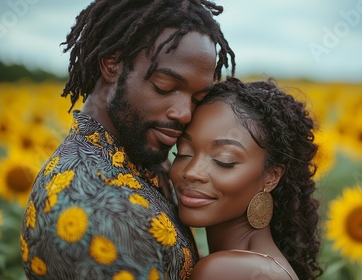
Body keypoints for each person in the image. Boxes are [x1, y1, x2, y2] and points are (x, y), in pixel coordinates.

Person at [20, 0, 234, 279]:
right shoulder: (101, 215)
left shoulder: (138, 156)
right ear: (112, 64)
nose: (184, 113)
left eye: (198, 98)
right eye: (164, 87)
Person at [169, 77, 322, 280]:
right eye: (183, 153)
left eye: (224, 160)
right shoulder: (259, 266)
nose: (192, 172)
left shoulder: (223, 271)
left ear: (271, 177)